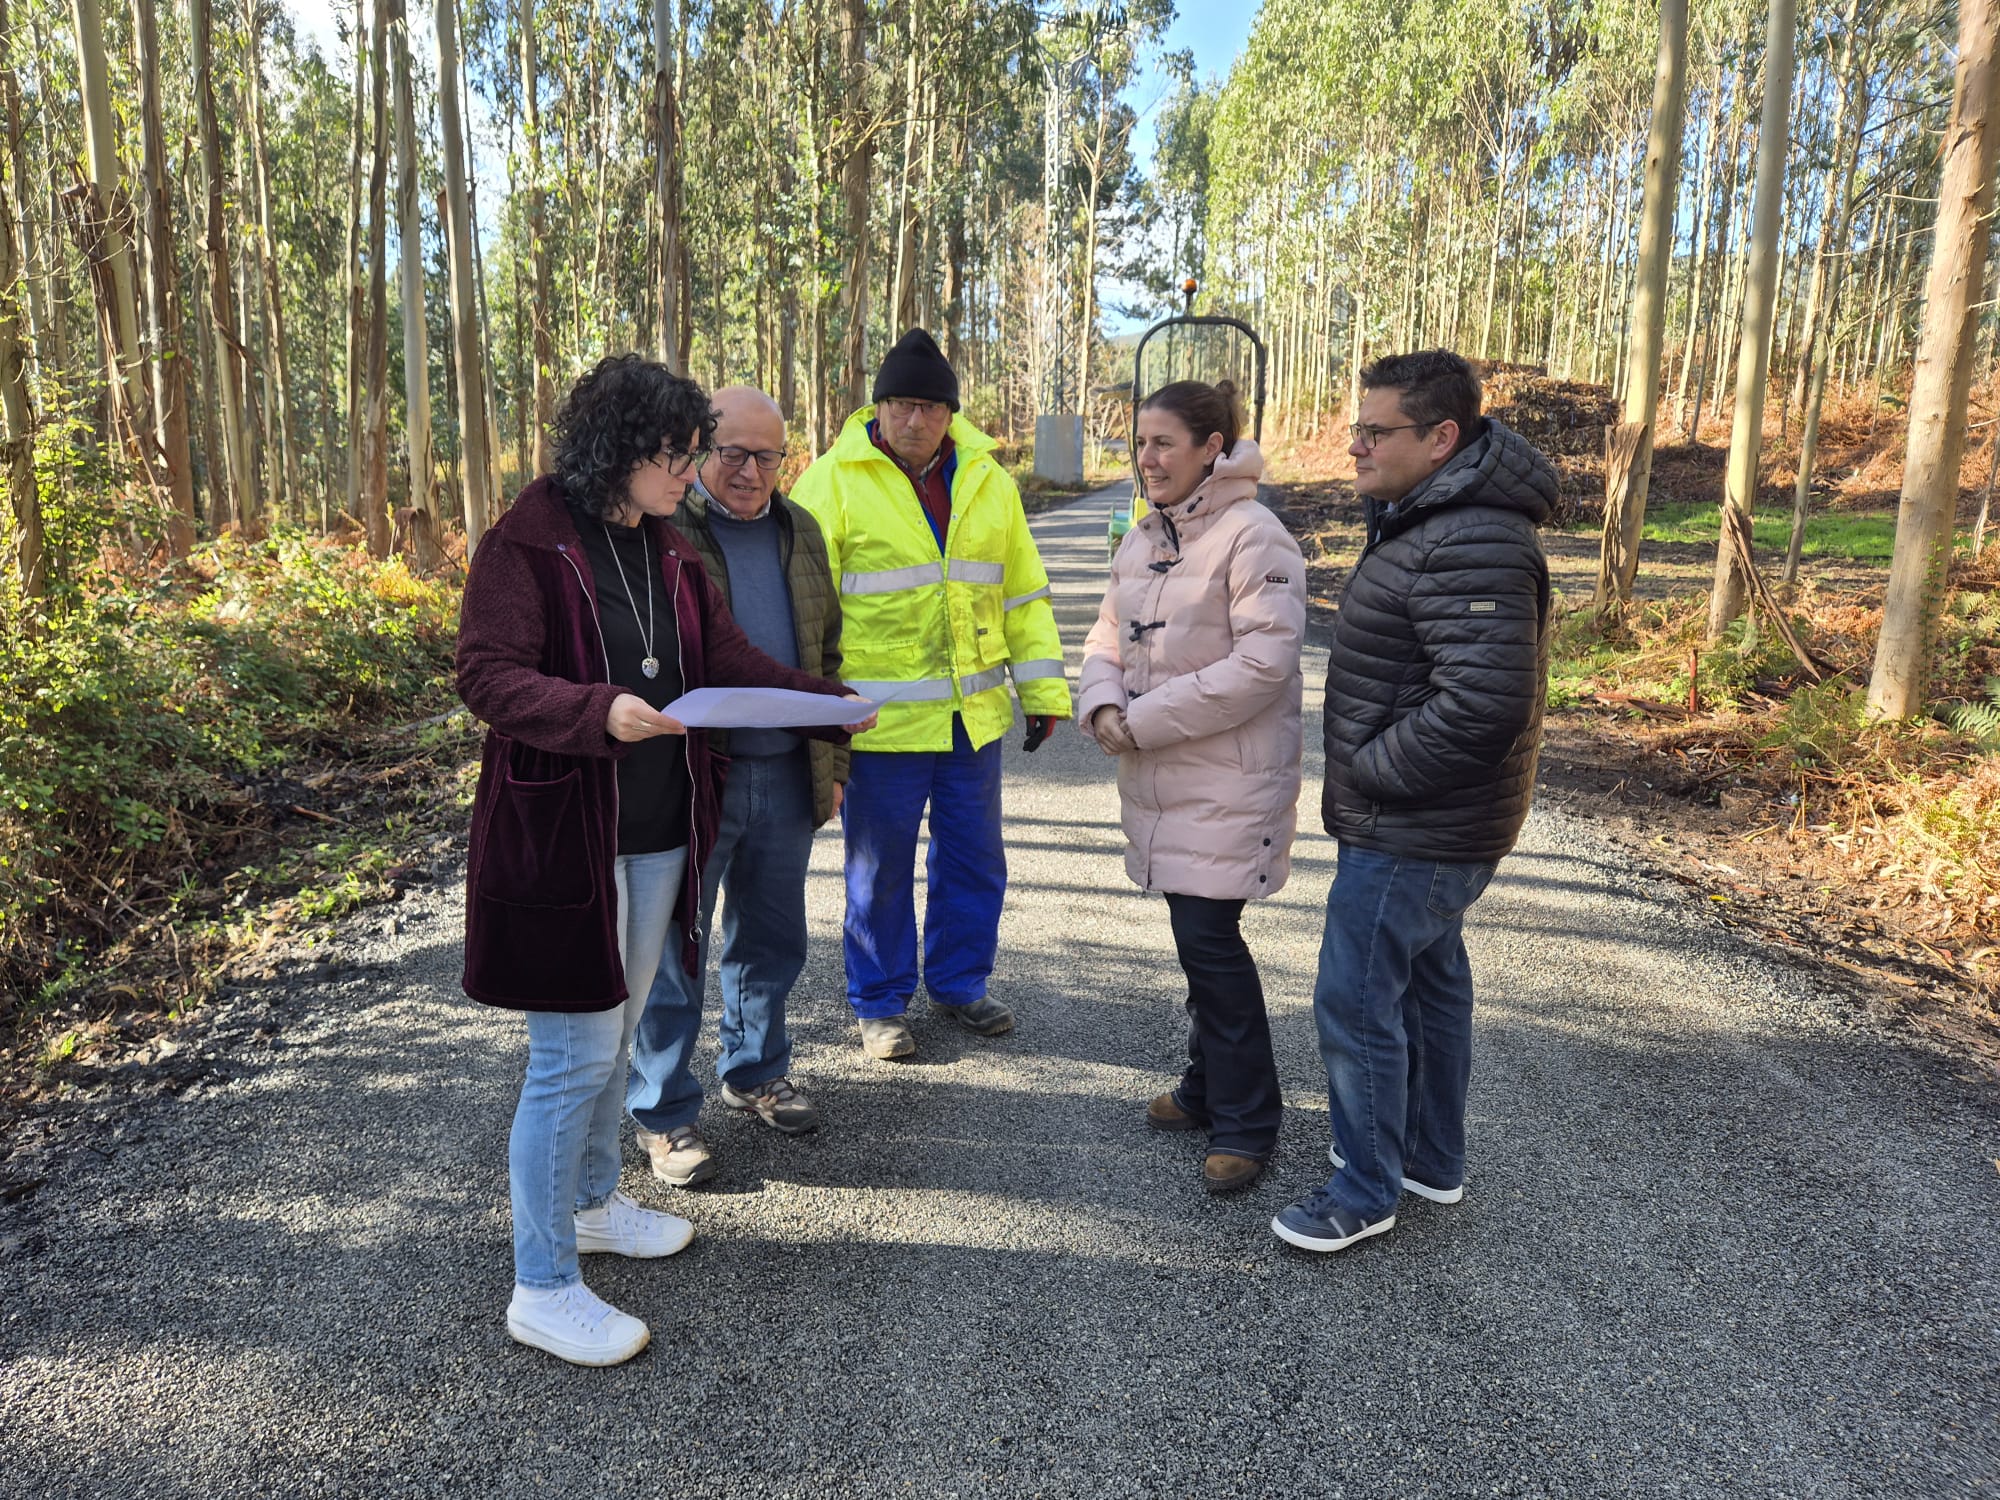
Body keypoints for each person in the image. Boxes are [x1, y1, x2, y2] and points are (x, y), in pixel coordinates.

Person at [456, 353, 867, 1365]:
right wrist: (599, 711)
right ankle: (542, 1284)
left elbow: (723, 661)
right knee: (570, 1058)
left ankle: (595, 1204)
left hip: (652, 835)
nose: (690, 476)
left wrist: (824, 701)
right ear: (619, 450)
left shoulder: (670, 547)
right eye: (676, 457)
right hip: (564, 840)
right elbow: (488, 674)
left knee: (623, 1025)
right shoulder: (530, 538)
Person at [1270, 349, 1556, 1255]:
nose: (1353, 445)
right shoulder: (1431, 517)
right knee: (1433, 988)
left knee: (1356, 1000)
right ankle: (1429, 1156)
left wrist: (1372, 770)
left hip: (1418, 823)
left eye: (1373, 430)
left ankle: (1364, 1188)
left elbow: (1484, 700)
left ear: (1441, 438)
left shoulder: (1469, 534)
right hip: (1434, 820)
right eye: (1356, 426)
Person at [792, 328, 1071, 1061]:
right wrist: (814, 717)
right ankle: (880, 1003)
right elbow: (803, 610)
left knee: (975, 859)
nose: (914, 420)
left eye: (929, 406)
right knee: (878, 867)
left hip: (968, 720)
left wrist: (1042, 691)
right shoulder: (830, 483)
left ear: (951, 413)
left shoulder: (988, 481)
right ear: (876, 407)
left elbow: (1024, 597)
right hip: (877, 726)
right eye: (900, 404)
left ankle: (959, 983)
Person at [1078, 380, 1305, 1195]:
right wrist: (1102, 698)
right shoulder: (1146, 535)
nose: (1147, 459)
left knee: (1211, 947)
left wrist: (1142, 720)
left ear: (1213, 447)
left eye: (1164, 442)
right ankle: (1209, 1088)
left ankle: (1248, 1120)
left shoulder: (1255, 537)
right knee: (1196, 943)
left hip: (1227, 783)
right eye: (1141, 443)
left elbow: (1262, 666)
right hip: (1168, 777)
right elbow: (1108, 627)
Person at [670, 386, 844, 1159]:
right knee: (677, 946)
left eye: (766, 455)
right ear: (701, 449)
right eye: (732, 452)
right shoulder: (662, 526)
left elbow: (828, 653)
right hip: (693, 777)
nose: (749, 471)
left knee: (771, 939)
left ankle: (756, 1073)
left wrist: (832, 764)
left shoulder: (800, 529)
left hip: (786, 773)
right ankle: (665, 1111)